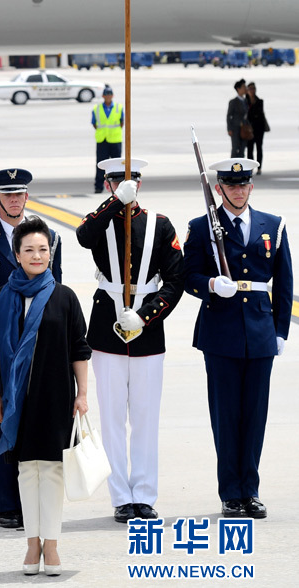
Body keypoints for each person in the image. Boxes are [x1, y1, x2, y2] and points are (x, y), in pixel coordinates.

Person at [75, 158, 184, 523]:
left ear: (140, 183)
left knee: (145, 418)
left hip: (147, 332)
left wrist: (145, 315)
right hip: (107, 329)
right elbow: (83, 236)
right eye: (118, 183)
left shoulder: (160, 224)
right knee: (111, 419)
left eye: (132, 182)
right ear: (109, 185)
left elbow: (175, 279)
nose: (127, 187)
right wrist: (113, 203)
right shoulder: (102, 220)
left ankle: (145, 495)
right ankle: (121, 497)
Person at [183, 158, 292, 518]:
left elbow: (284, 283)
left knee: (255, 416)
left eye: (243, 184)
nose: (238, 191)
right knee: (226, 416)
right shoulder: (201, 227)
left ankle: (251, 490)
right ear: (219, 189)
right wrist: (212, 285)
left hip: (260, 332)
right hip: (220, 332)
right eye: (231, 185)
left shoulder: (272, 225)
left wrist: (280, 331)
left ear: (251, 187)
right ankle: (231, 493)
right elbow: (188, 277)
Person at [0, 216, 90, 577]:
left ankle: (52, 544)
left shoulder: (64, 297)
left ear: (51, 254)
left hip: (55, 396)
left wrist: (82, 394)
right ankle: (32, 543)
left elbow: (79, 349)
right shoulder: (2, 298)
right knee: (26, 471)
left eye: (43, 249)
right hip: (17, 401)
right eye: (29, 249)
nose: (36, 255)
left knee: (52, 470)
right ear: (16, 254)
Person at [0, 168, 62, 530]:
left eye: (19, 194)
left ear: (26, 197)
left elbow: (56, 284)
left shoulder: (48, 236)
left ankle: (34, 501)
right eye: (7, 195)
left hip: (36, 332)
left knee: (36, 418)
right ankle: (7, 502)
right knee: (2, 415)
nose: (14, 200)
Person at [91, 86, 123, 193]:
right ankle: (98, 186)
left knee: (116, 166)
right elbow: (94, 123)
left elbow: (122, 122)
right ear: (103, 96)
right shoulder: (97, 108)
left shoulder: (118, 107)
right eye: (106, 94)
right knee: (100, 164)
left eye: (109, 94)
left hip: (115, 140)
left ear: (112, 95)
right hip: (102, 140)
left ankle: (117, 187)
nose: (108, 96)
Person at [246, 82, 268, 174]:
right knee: (250, 149)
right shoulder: (245, 101)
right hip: (249, 129)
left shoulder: (259, 101)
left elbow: (259, 114)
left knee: (259, 147)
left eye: (253, 88)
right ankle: (250, 167)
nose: (252, 90)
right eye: (250, 89)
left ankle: (259, 168)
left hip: (259, 128)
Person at [227, 79, 249, 158]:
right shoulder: (233, 102)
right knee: (235, 149)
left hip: (244, 129)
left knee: (242, 149)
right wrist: (229, 129)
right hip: (235, 129)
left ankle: (241, 165)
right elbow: (229, 116)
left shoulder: (246, 101)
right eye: (243, 87)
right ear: (238, 89)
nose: (245, 88)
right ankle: (233, 165)